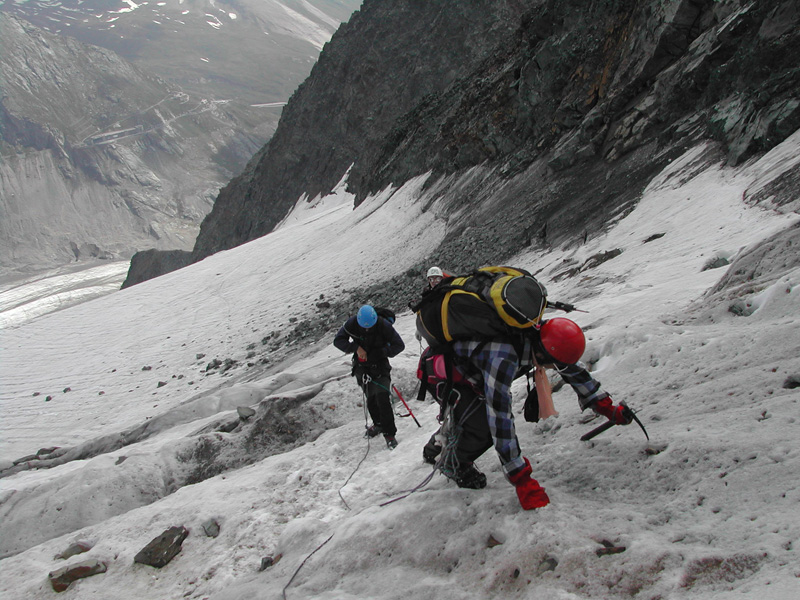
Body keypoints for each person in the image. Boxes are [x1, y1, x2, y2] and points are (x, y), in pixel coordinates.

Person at [418, 316, 632, 510]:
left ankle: (434, 447)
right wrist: (521, 479)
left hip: (467, 369)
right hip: (442, 374)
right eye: (550, 363)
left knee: (469, 416)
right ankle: (453, 464)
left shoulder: (541, 335)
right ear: (541, 353)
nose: (551, 367)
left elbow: (570, 366)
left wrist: (606, 407)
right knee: (482, 427)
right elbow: (499, 416)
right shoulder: (503, 357)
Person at [334, 305, 406, 449]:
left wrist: (382, 352)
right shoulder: (352, 324)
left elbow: (399, 345)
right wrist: (355, 348)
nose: (367, 330)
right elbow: (338, 341)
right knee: (371, 397)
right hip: (362, 368)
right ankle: (378, 424)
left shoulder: (383, 325)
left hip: (380, 366)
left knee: (382, 398)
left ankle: (389, 434)